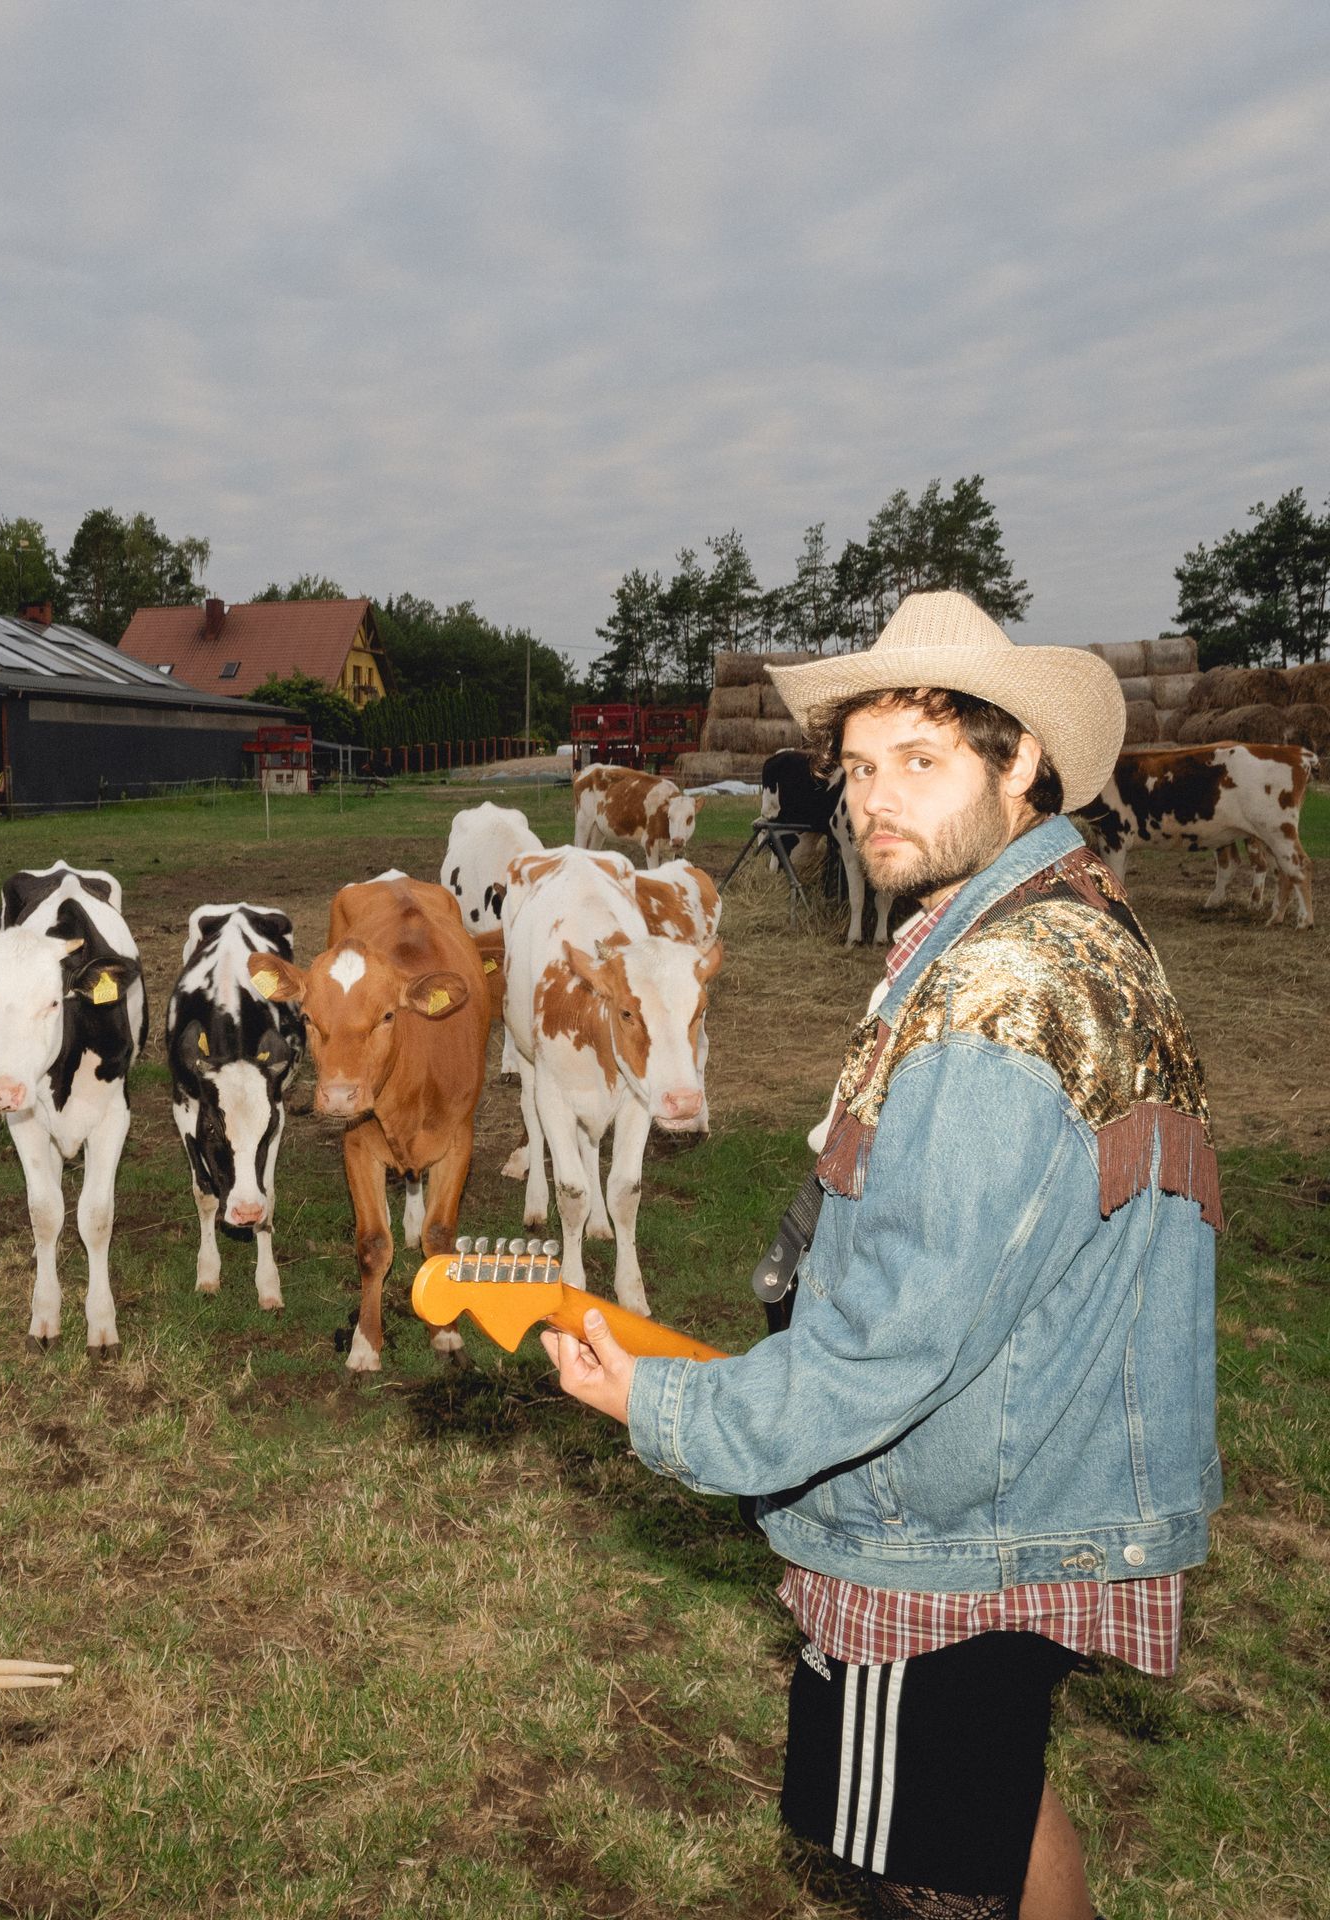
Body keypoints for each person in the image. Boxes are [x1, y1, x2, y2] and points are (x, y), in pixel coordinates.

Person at [544, 591, 1220, 1920]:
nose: (872, 801)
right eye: (858, 768)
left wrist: (665, 1400)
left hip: (955, 1519)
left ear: (1018, 759)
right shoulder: (1066, 919)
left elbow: (901, 1337)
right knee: (992, 1797)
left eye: (921, 760)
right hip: (1033, 1469)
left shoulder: (1002, 994)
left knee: (915, 1869)